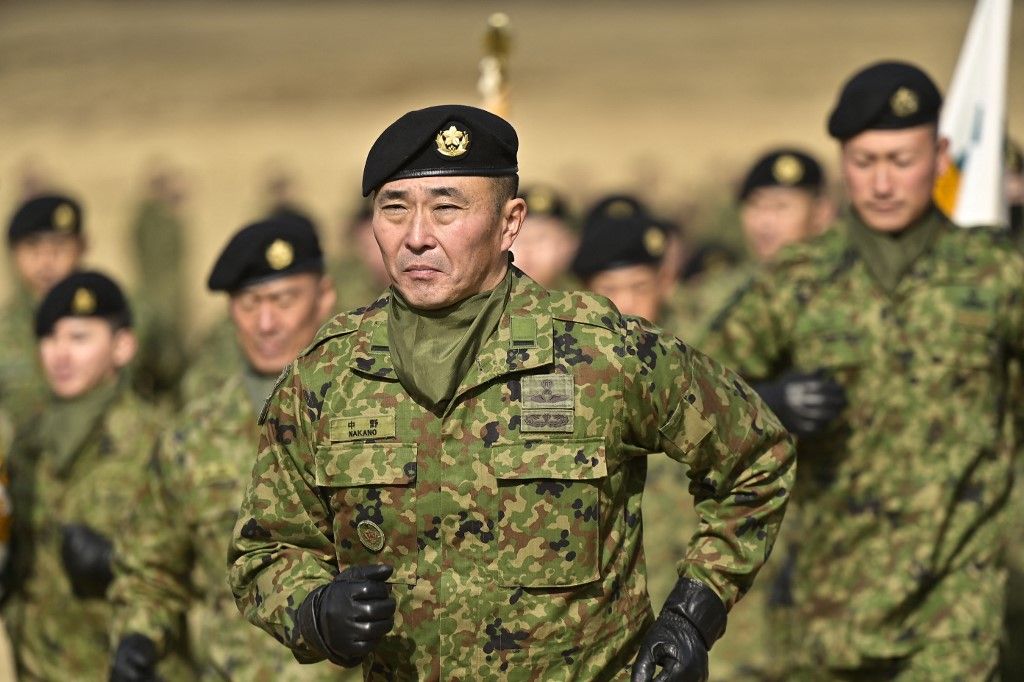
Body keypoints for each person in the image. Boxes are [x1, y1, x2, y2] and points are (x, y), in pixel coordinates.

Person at [227, 104, 795, 681]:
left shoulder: (602, 353)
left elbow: (756, 457)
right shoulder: (329, 375)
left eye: (447, 209)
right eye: (394, 209)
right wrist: (316, 611)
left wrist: (693, 614)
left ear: (510, 222)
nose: (417, 238)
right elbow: (266, 550)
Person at [700, 61, 1024, 680]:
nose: (881, 183)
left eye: (901, 161)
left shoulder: (997, 274)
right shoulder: (799, 278)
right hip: (830, 601)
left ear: (941, 154)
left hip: (955, 602)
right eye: (863, 161)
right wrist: (768, 401)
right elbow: (697, 393)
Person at [109, 216, 345, 681]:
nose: (265, 322)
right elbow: (151, 571)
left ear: (325, 297)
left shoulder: (370, 424)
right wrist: (137, 639)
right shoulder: (192, 437)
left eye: (284, 300)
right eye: (248, 303)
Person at [2, 272, 189, 681]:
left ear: (123, 346)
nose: (60, 355)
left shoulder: (161, 441)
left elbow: (211, 568)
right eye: (50, 339)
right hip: (39, 666)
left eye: (79, 338)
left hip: (131, 668)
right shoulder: (26, 445)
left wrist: (114, 561)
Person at [0, 195, 86, 428]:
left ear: (82, 247)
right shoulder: (4, 330)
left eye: (59, 247)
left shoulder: (118, 318)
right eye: (33, 247)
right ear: (14, 254)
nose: (46, 262)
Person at [509, 184, 579, 289]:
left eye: (540, 238)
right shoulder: (487, 301)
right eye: (518, 237)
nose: (528, 248)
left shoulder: (586, 300)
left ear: (567, 245)